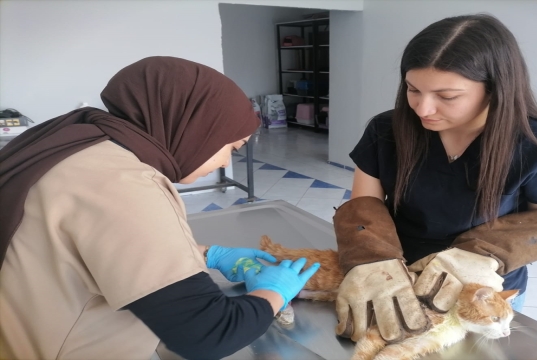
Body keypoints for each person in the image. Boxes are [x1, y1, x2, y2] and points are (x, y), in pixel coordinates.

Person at [0, 57, 319, 359]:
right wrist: (274, 293)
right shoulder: (122, 184)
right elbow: (210, 335)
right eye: (231, 147)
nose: (224, 162)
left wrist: (207, 253)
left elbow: (95, 245)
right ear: (197, 127)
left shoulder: (77, 141)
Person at [332, 14, 537, 343]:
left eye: (447, 96)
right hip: (395, 280)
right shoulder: (387, 129)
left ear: (495, 88)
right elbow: (364, 206)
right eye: (413, 89)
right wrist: (371, 258)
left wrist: (475, 256)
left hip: (481, 295)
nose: (423, 108)